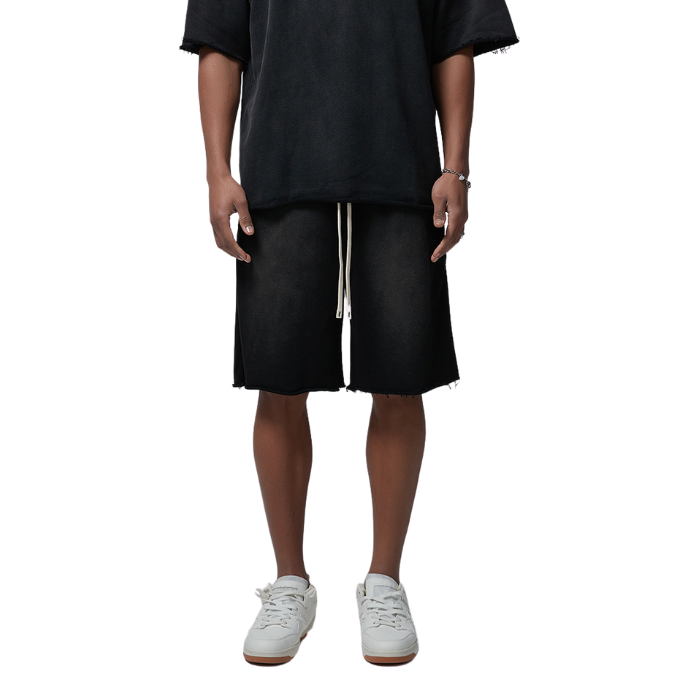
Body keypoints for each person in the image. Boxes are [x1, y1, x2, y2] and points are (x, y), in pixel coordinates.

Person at [180, 0, 517, 666]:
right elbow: (221, 39)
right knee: (278, 381)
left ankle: (384, 580)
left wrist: (456, 167)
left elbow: (454, 35)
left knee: (399, 379)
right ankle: (290, 583)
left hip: (402, 170)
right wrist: (218, 171)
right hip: (279, 171)